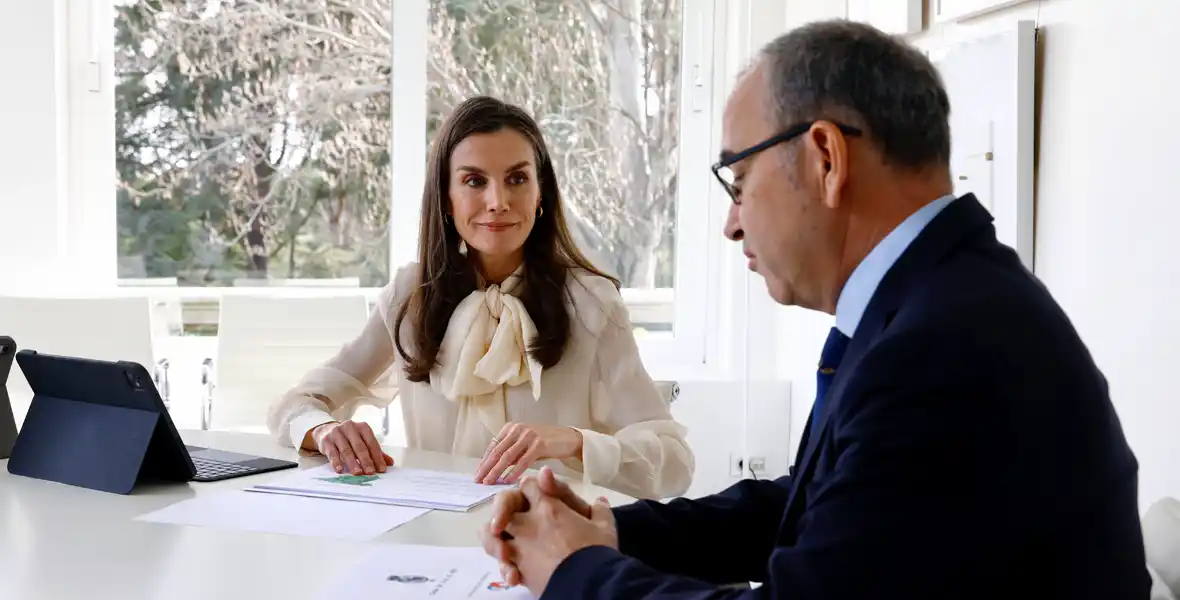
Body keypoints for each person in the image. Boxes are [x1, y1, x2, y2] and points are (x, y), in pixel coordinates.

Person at [479, 20, 1150, 599]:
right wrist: (614, 531)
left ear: (826, 157)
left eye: (739, 182)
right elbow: (811, 507)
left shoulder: (941, 354)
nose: (732, 224)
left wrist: (575, 570)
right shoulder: (940, 304)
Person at [267, 96, 694, 500]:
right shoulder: (408, 296)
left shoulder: (590, 303)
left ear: (540, 192)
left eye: (517, 179)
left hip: (548, 541)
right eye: (474, 181)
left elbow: (674, 462)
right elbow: (294, 405)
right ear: (447, 199)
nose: (497, 202)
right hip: (430, 534)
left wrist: (572, 441)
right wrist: (323, 430)